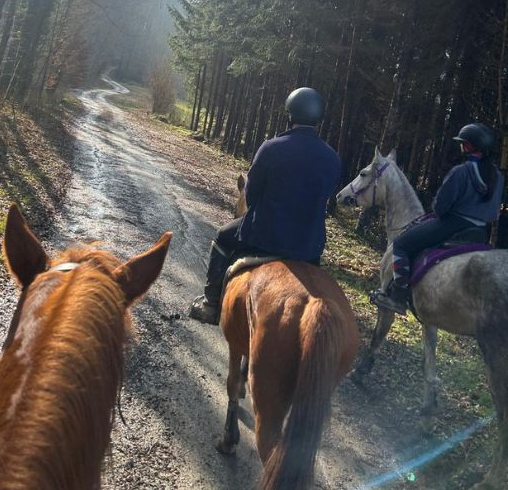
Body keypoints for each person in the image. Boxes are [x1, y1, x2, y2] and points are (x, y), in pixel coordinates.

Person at [188, 87, 342, 325]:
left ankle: (210, 303)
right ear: (318, 118)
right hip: (308, 248)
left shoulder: (271, 147)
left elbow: (250, 195)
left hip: (265, 237)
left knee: (222, 237)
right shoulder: (333, 158)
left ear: (289, 115)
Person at [371, 123, 503, 314]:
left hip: (452, 224)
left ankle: (397, 296)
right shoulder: (497, 176)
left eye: (463, 143)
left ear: (468, 146)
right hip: (481, 232)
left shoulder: (461, 172)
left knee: (401, 244)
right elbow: (493, 213)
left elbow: (440, 208)